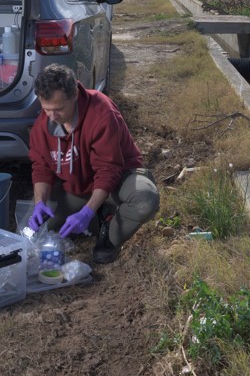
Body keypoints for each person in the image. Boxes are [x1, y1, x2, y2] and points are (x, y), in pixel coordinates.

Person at [26, 64, 159, 264]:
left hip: (119, 180)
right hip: (80, 187)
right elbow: (41, 167)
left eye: (59, 109)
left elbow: (109, 170)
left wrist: (86, 211)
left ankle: (110, 233)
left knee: (145, 200)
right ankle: (99, 215)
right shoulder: (44, 123)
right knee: (41, 227)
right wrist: (40, 204)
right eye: (47, 109)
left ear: (74, 96)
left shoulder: (101, 111)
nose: (53, 116)